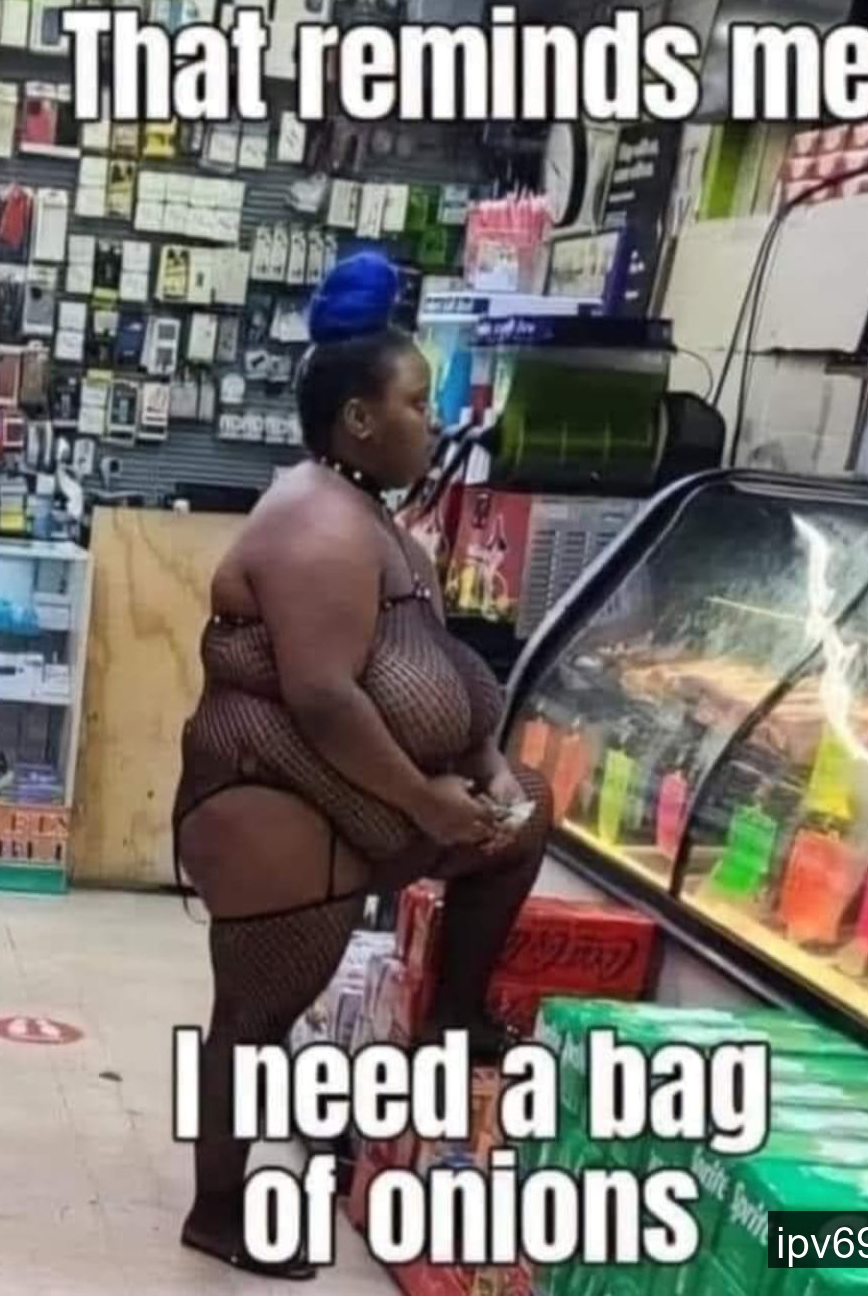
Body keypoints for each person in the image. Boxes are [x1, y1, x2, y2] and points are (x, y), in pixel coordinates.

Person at [172, 252, 552, 1280]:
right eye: (418, 404)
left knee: (525, 818)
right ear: (357, 420)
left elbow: (433, 667)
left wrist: (485, 766)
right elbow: (324, 697)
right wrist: (428, 799)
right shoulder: (312, 520)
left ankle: (451, 1020)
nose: (435, 422)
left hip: (363, 803)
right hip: (276, 805)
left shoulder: (375, 519)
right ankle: (217, 1209)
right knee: (255, 1015)